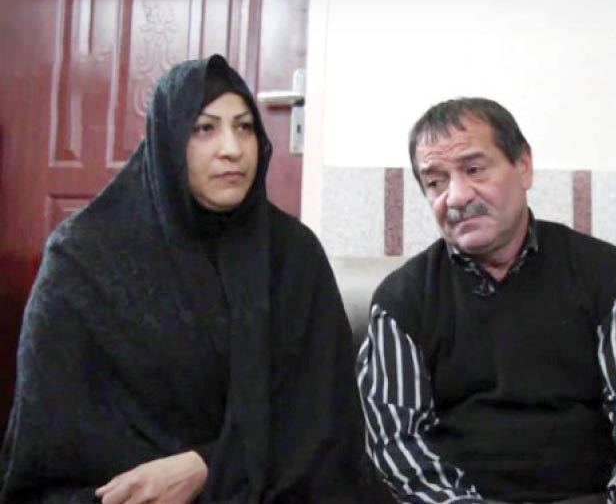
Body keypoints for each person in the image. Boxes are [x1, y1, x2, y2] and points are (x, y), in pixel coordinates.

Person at [0, 55, 362, 503]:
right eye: (204, 128)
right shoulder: (84, 258)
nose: (232, 148)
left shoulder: (292, 253)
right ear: (167, 139)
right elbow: (55, 444)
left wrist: (209, 466)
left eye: (245, 127)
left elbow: (324, 414)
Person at [356, 98, 616, 504]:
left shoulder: (611, 280)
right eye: (436, 182)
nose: (456, 196)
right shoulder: (401, 301)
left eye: (474, 169)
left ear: (523, 166)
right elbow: (396, 445)